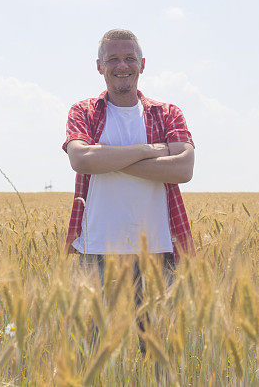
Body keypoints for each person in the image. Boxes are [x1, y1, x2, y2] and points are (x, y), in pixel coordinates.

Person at [62, 28, 195, 356]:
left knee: (156, 353)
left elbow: (183, 169)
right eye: (113, 59)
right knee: (92, 354)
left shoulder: (166, 113)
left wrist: (106, 157)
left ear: (143, 63)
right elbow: (80, 159)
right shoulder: (84, 111)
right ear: (99, 66)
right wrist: (152, 150)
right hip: (96, 252)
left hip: (159, 251)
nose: (122, 65)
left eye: (129, 58)